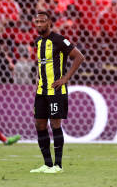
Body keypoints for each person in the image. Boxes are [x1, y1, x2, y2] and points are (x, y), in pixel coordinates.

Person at [30, 10, 85, 174]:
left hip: (56, 90)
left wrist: (66, 78)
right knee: (39, 124)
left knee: (55, 124)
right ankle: (47, 164)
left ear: (49, 23)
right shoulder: (38, 42)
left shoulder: (59, 40)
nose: (39, 24)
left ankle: (58, 165)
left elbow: (79, 57)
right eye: (37, 22)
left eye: (42, 21)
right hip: (41, 90)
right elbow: (41, 66)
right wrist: (38, 80)